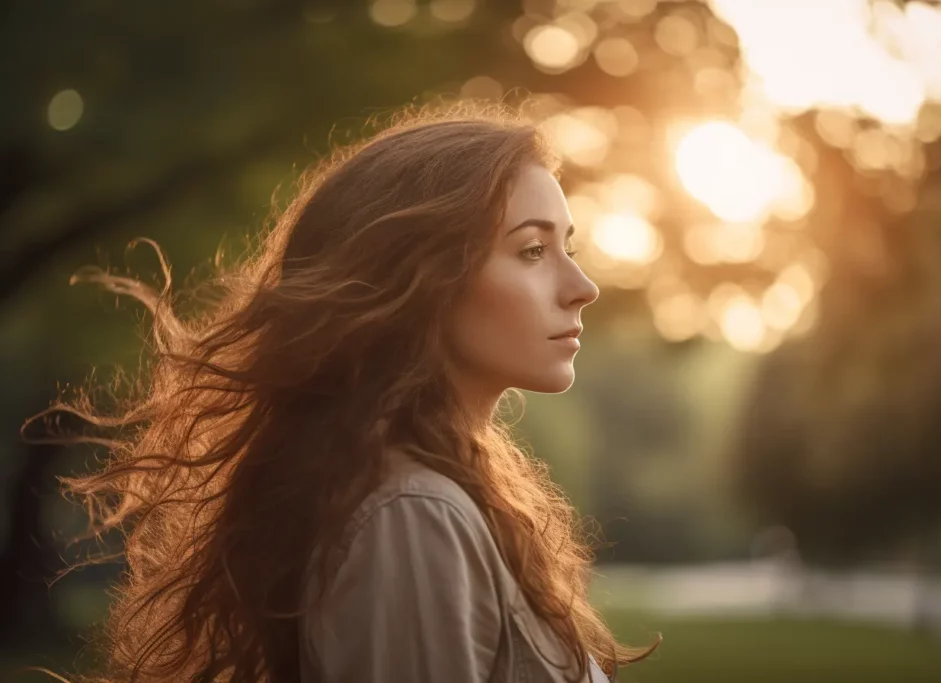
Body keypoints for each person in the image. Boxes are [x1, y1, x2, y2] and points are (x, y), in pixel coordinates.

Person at [21, 102, 661, 682]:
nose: (582, 285)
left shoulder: (436, 495)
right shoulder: (413, 515)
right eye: (530, 251)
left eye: (567, 247)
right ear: (420, 276)